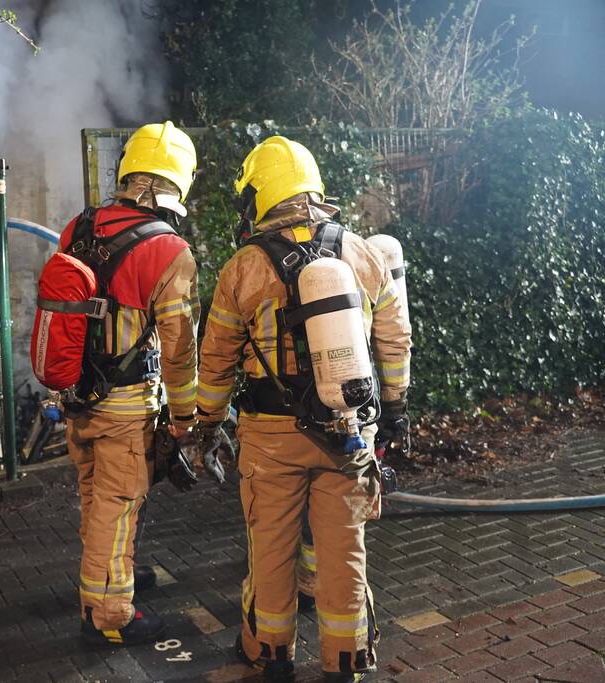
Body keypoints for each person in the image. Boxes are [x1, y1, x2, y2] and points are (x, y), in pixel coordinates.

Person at [194, 136, 411, 682]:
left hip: (271, 437)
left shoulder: (243, 267)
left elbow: (215, 359)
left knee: (271, 549)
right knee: (344, 550)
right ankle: (346, 660)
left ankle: (269, 654)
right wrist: (394, 408)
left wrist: (207, 423)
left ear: (259, 197)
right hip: (348, 430)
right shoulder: (360, 252)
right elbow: (395, 340)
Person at [57, 121, 200, 646]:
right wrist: (184, 418)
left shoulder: (79, 228)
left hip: (77, 397)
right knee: (116, 509)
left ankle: (103, 582)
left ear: (127, 171)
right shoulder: (169, 250)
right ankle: (109, 617)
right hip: (125, 408)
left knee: (96, 500)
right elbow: (180, 348)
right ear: (177, 184)